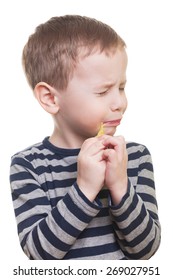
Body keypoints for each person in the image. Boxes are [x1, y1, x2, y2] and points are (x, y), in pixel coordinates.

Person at [10, 15, 161, 260]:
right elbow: (39, 255)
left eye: (121, 87)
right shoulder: (28, 165)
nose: (120, 103)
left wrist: (120, 187)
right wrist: (84, 188)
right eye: (103, 91)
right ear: (50, 98)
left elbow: (146, 250)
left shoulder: (134, 157)